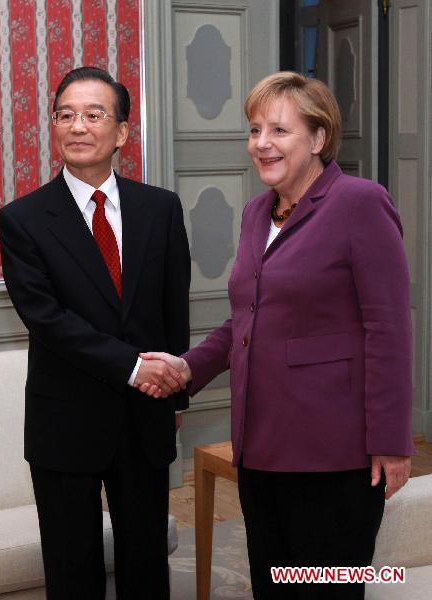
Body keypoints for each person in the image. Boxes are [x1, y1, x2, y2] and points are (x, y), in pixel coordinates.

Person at [139, 71, 415, 599]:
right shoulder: (255, 214)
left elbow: (389, 329)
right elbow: (244, 320)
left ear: (318, 139)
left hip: (336, 453)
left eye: (280, 130)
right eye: (254, 129)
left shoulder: (360, 203)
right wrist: (187, 368)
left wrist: (390, 441)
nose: (262, 143)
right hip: (262, 447)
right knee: (273, 585)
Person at [0, 66, 190, 600]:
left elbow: (173, 308)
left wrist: (175, 392)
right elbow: (48, 320)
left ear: (122, 132)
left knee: (146, 561)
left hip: (146, 415)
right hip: (67, 419)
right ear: (54, 126)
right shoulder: (22, 219)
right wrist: (134, 367)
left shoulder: (161, 208)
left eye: (93, 114)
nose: (77, 126)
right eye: (65, 115)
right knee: (72, 567)